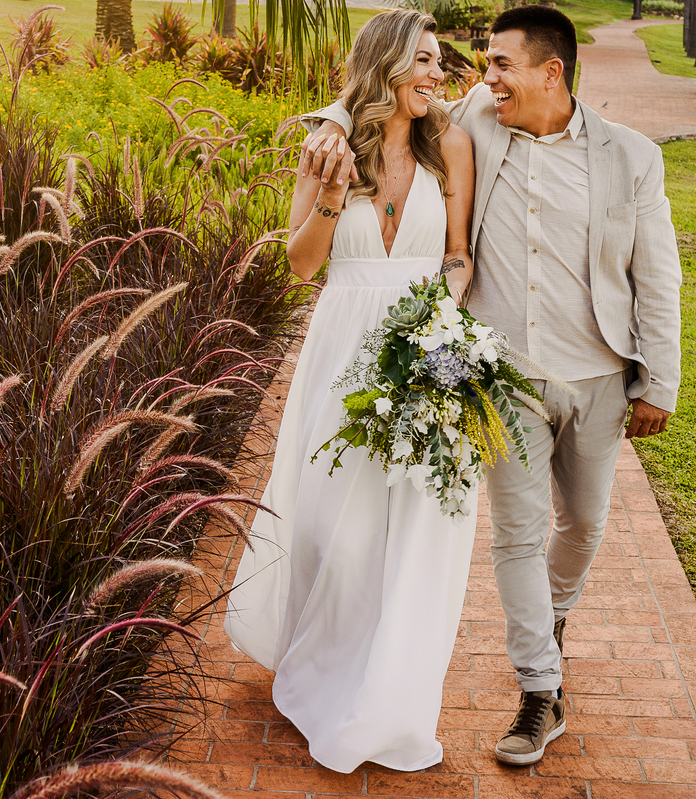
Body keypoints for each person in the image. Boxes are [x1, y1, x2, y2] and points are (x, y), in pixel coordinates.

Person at [299, 5, 682, 766]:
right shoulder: (481, 118)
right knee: (515, 532)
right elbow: (381, 83)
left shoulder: (632, 156)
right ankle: (541, 690)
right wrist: (334, 122)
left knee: (584, 525)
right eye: (482, 64)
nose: (483, 76)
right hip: (506, 375)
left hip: (602, 374)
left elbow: (657, 273)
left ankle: (551, 619)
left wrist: (658, 380)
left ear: (552, 73)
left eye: (501, 63)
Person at [222, 9, 478, 773]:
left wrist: (441, 331)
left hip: (427, 351)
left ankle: (390, 698)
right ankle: (323, 671)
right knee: (336, 524)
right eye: (423, 62)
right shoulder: (327, 150)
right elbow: (302, 265)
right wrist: (332, 191)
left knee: (415, 530)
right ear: (386, 66)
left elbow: (459, 257)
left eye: (439, 62)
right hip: (342, 349)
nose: (437, 75)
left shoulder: (451, 146)